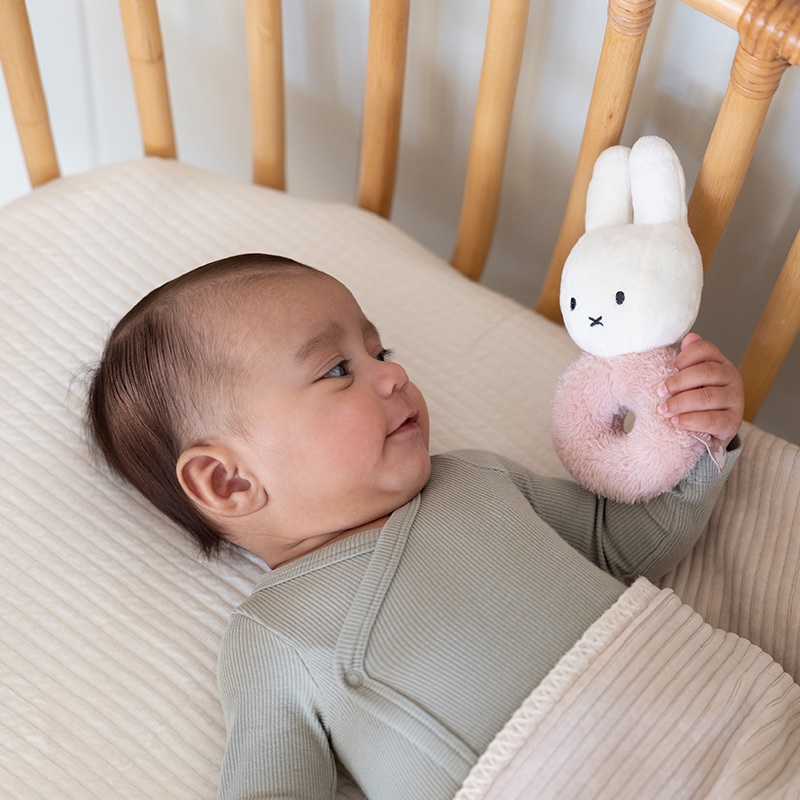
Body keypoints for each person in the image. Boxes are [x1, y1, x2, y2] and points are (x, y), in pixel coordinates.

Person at [88, 253, 744, 800]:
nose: (394, 374)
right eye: (337, 369)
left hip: (716, 715)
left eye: (380, 351)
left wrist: (699, 439)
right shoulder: (275, 635)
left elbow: (623, 545)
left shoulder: (476, 479)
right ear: (228, 482)